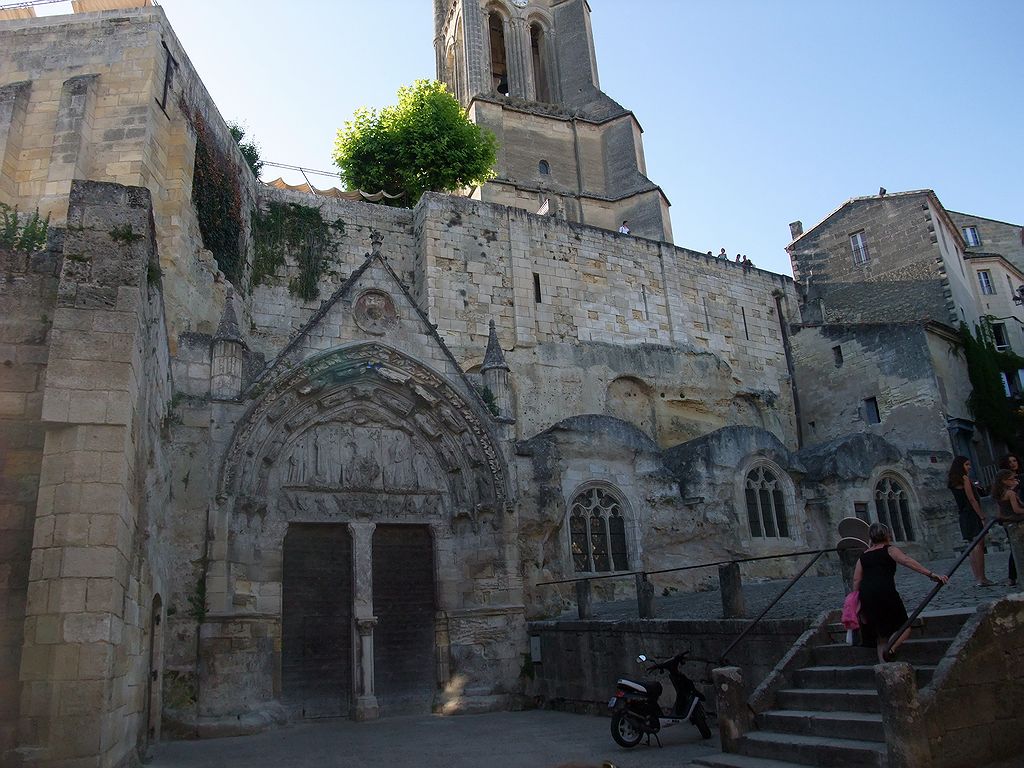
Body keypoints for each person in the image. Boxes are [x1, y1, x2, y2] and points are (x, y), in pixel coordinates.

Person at [853, 522, 947, 662]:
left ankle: (884, 668)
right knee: (904, 626)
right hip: (885, 592)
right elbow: (907, 561)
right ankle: (890, 649)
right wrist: (931, 574)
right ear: (886, 534)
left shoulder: (863, 556)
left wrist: (856, 600)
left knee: (881, 636)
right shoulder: (889, 550)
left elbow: (856, 579)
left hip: (867, 595)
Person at [948, 456, 991, 586]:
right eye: (967, 464)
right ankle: (981, 578)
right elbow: (971, 499)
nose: (969, 467)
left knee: (972, 546)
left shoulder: (953, 481)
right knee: (978, 545)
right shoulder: (965, 479)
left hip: (963, 515)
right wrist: (982, 516)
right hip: (971, 514)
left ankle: (978, 577)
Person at [993, 461, 1023, 586]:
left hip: (1008, 523)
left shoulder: (999, 494)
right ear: (1004, 481)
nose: (1014, 480)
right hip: (1016, 522)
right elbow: (1017, 509)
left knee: (1014, 549)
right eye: (1011, 479)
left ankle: (1012, 577)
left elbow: (999, 514)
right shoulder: (1010, 493)